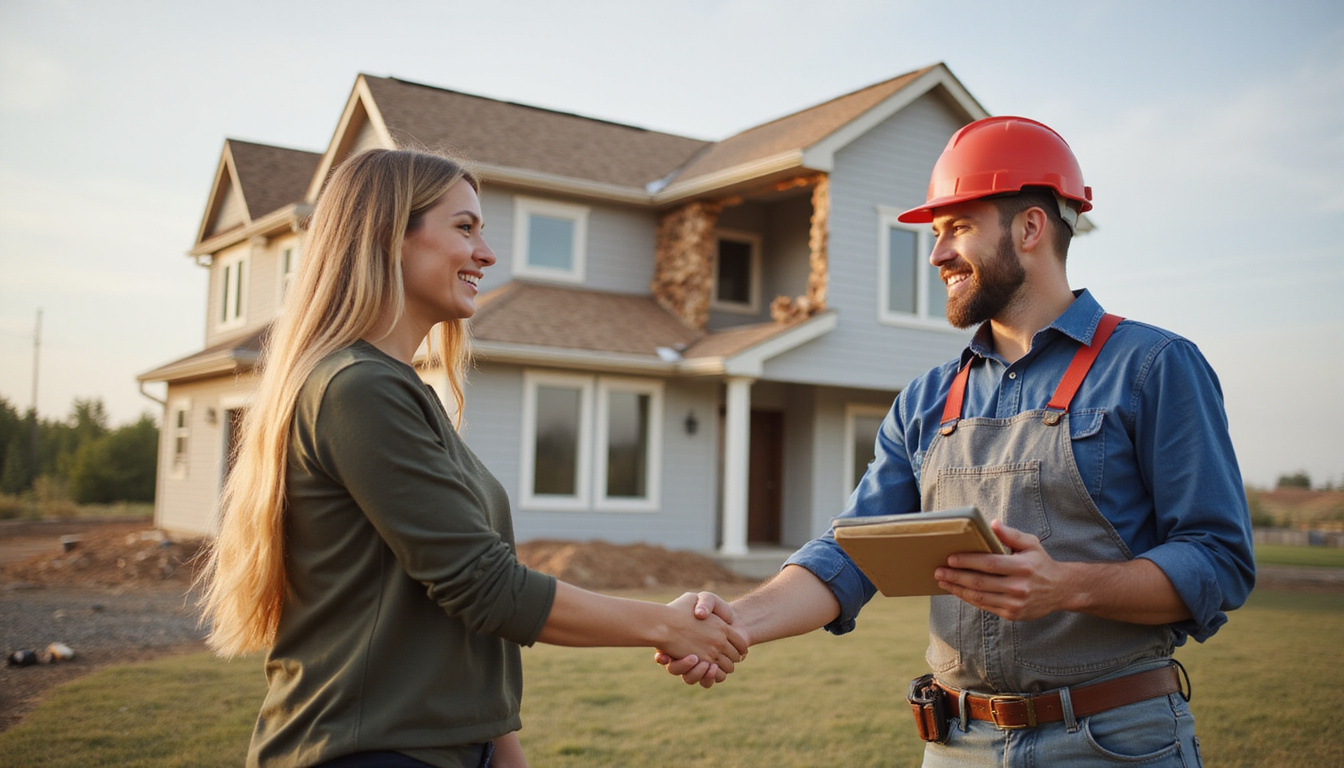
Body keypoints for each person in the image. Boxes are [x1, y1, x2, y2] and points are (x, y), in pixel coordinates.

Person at [660, 116, 1255, 767]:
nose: (936, 254)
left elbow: (1218, 558)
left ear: (1030, 228)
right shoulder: (927, 399)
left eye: (959, 228)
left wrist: (1068, 586)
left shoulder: (1153, 366)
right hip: (956, 746)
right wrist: (735, 623)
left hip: (1112, 742)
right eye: (936, 233)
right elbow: (852, 552)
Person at [197, 148, 748, 768]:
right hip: (366, 751)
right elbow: (483, 586)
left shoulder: (401, 392)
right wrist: (665, 626)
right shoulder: (358, 388)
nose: (486, 254)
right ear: (389, 236)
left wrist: (499, 748)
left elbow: (455, 610)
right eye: (465, 227)